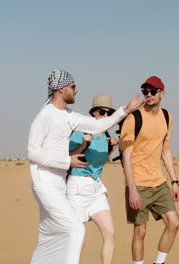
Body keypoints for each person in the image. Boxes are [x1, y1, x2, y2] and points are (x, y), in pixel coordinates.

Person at [27, 69, 145, 264]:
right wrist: (68, 162)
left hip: (58, 183)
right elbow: (33, 152)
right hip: (45, 183)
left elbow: (99, 126)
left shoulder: (69, 116)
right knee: (75, 230)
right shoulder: (44, 117)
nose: (76, 91)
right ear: (61, 89)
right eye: (73, 87)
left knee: (49, 238)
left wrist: (126, 110)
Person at [119, 76, 179, 264]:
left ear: (162, 93)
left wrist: (174, 181)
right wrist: (132, 191)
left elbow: (166, 150)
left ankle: (159, 262)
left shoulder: (166, 117)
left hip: (158, 182)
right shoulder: (133, 118)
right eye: (145, 91)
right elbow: (126, 157)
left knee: (174, 223)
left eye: (152, 91)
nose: (148, 95)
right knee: (140, 231)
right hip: (138, 183)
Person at [67, 95, 119, 264]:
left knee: (109, 232)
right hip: (78, 187)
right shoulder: (81, 131)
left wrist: (111, 148)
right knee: (77, 238)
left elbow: (101, 161)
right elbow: (67, 157)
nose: (106, 115)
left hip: (96, 187)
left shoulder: (107, 135)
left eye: (109, 113)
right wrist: (83, 143)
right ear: (94, 113)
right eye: (102, 112)